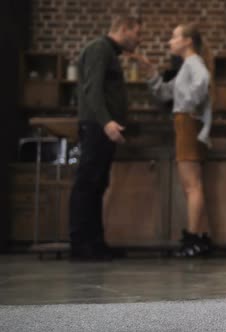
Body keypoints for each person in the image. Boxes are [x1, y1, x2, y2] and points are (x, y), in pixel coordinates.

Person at [134, 23, 213, 257]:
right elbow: (165, 92)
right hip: (184, 123)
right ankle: (200, 237)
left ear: (187, 40)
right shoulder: (187, 66)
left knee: (192, 186)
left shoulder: (193, 63)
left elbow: (203, 81)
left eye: (174, 36)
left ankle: (192, 241)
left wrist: (188, 106)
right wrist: (150, 72)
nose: (170, 41)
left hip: (187, 123)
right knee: (193, 185)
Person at [69, 14, 141, 261]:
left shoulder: (109, 52)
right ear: (124, 29)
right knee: (87, 184)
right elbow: (92, 89)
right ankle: (80, 245)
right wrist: (106, 122)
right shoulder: (100, 48)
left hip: (102, 127)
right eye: (137, 33)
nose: (138, 39)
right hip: (97, 127)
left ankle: (96, 243)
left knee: (98, 185)